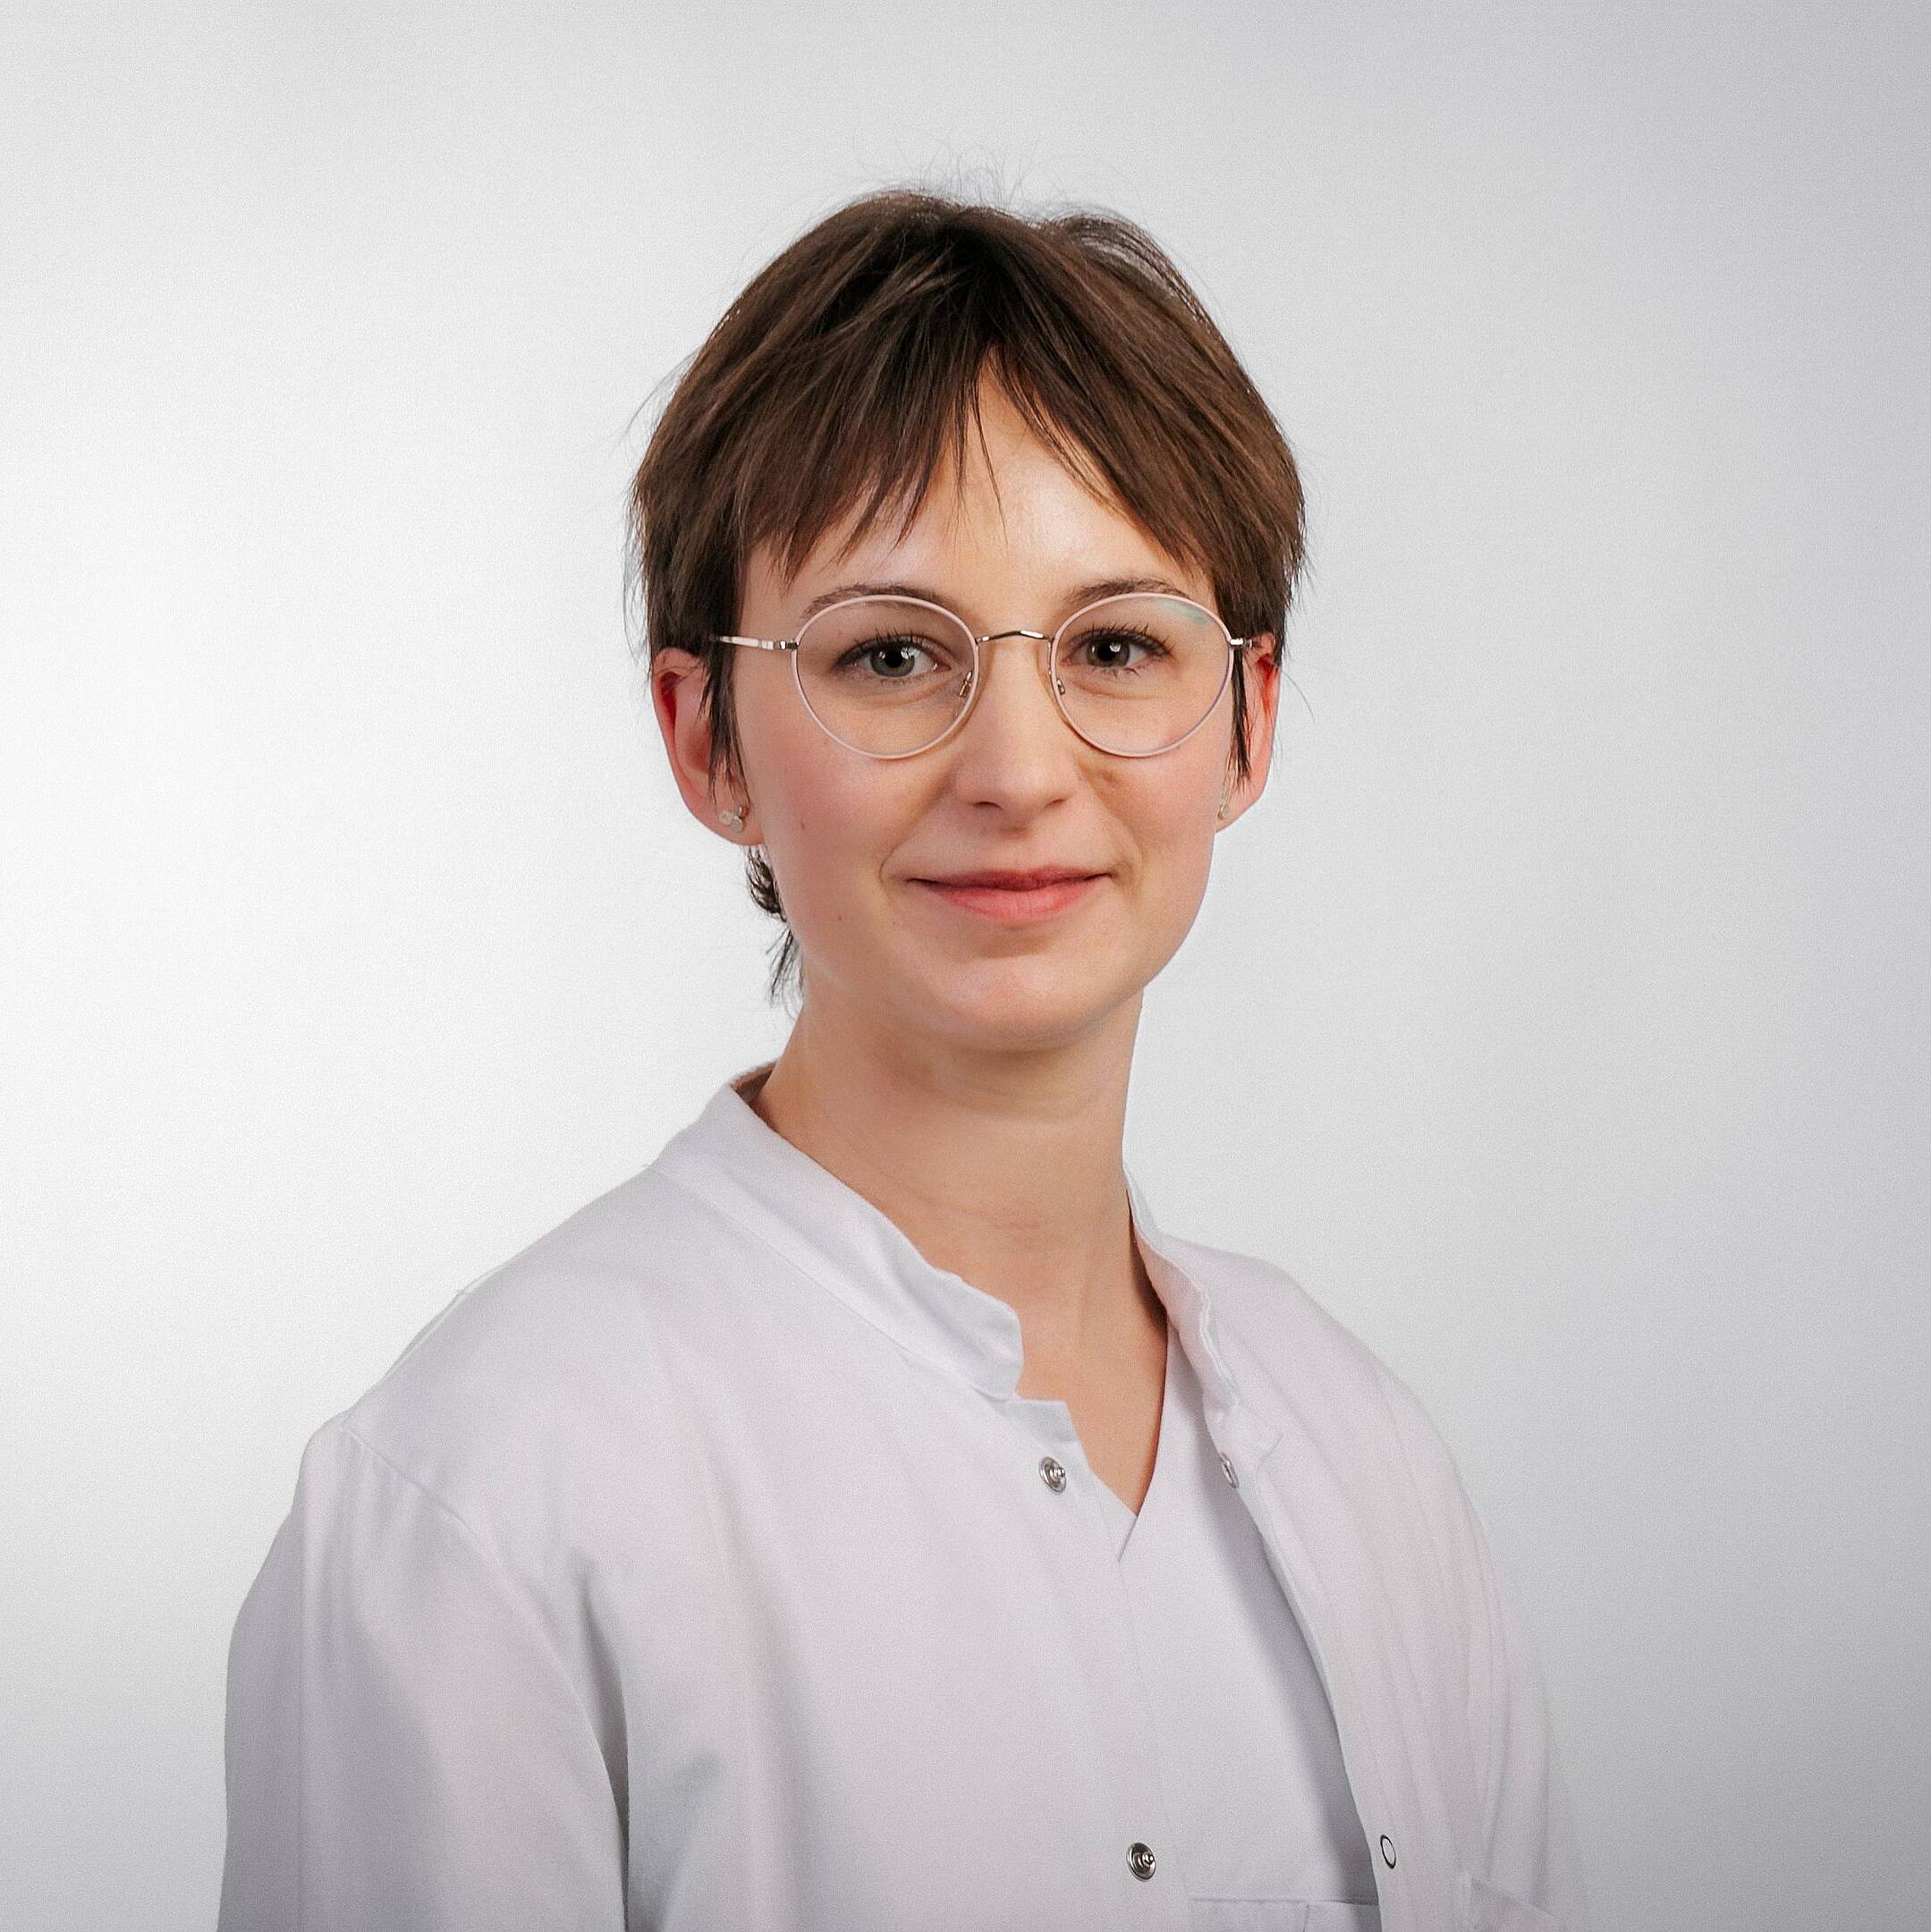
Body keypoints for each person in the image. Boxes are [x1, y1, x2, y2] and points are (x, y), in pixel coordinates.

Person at [219, 186, 1589, 1932]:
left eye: (1115, 646)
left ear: (1249, 719)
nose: (1018, 770)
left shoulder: (1365, 1453)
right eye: (888, 654)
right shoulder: (482, 1503)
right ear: (707, 740)